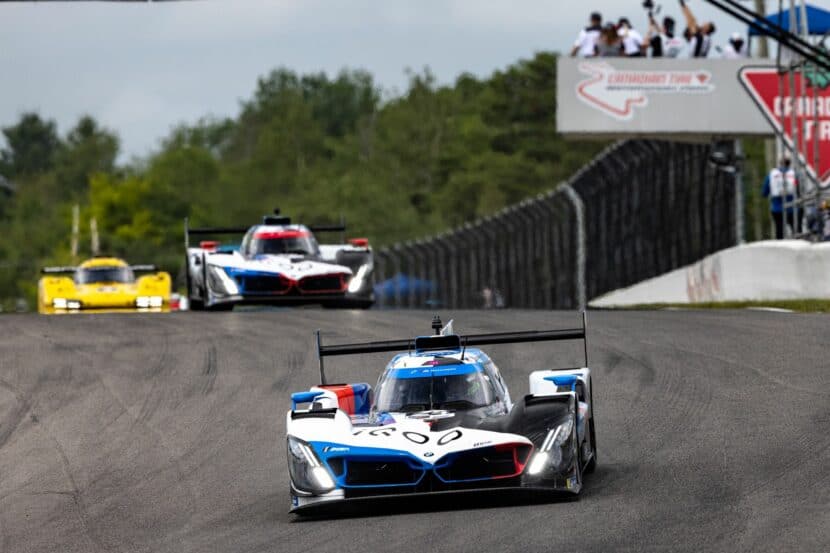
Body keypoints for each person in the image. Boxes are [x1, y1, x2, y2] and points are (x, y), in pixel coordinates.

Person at [762, 157, 801, 239]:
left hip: (777, 208)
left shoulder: (772, 175)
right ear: (789, 164)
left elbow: (764, 192)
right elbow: (798, 190)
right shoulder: (794, 174)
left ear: (779, 163)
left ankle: (780, 245)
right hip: (793, 208)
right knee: (796, 231)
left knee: (779, 230)